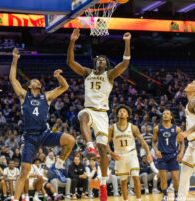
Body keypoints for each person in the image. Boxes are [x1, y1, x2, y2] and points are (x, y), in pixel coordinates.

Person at [67, 28, 131, 201]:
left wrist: (126, 43)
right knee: (83, 117)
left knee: (103, 149)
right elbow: (71, 61)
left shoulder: (109, 75)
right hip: (89, 109)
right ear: (95, 62)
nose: (100, 61)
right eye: (98, 59)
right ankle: (89, 145)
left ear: (106, 64)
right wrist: (73, 41)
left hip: (102, 114)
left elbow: (124, 64)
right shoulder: (87, 72)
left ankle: (102, 184)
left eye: (103, 60)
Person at [9, 47, 75, 201]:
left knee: (71, 140)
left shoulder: (47, 96)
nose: (36, 80)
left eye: (37, 80)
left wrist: (59, 77)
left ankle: (58, 165)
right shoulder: (23, 95)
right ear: (30, 85)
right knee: (25, 170)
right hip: (30, 137)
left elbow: (65, 87)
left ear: (39, 85)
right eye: (33, 80)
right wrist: (15, 60)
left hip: (45, 134)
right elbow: (13, 79)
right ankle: (15, 198)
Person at [108, 105, 152, 201]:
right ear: (117, 114)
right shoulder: (112, 128)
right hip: (119, 156)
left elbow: (142, 141)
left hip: (131, 154)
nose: (122, 112)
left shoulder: (133, 127)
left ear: (127, 115)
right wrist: (111, 153)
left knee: (135, 176)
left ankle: (139, 199)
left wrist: (148, 152)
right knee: (123, 181)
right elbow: (105, 143)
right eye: (120, 111)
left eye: (124, 111)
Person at [178, 75, 195, 201]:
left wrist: (186, 132)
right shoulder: (192, 101)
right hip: (192, 144)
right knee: (184, 175)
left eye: (192, 83)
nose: (189, 83)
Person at [152, 109, 185, 201]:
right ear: (162, 116)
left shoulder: (177, 129)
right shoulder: (157, 128)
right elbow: (153, 142)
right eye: (164, 114)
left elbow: (182, 143)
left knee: (175, 178)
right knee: (163, 179)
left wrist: (181, 153)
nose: (165, 115)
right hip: (162, 156)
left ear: (171, 117)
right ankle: (165, 195)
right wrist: (156, 150)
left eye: (167, 113)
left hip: (173, 156)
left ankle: (176, 195)